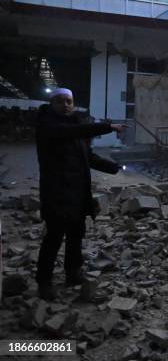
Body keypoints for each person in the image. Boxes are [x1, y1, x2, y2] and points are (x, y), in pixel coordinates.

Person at [35, 88, 128, 300]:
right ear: (51, 104)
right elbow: (71, 133)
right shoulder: (47, 126)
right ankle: (44, 282)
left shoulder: (76, 126)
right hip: (56, 192)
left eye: (69, 101)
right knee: (54, 237)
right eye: (60, 101)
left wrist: (114, 167)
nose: (65, 105)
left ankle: (73, 273)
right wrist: (108, 127)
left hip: (77, 192)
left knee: (76, 235)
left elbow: (89, 156)